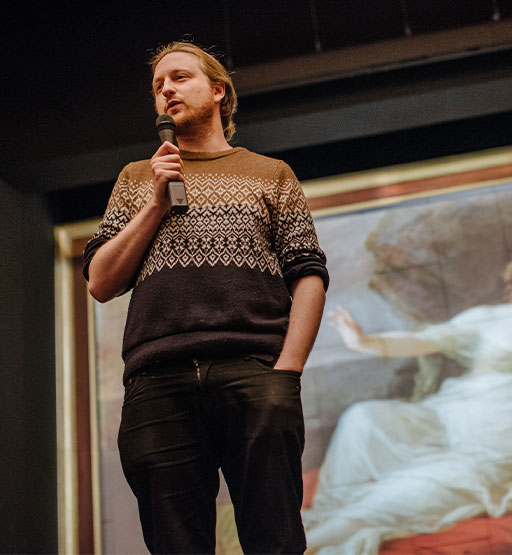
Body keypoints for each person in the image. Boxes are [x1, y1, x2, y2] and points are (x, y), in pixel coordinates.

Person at [83, 40, 329, 554]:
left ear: (218, 90)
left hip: (255, 369)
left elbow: (307, 274)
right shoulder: (136, 178)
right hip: (158, 381)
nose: (166, 90)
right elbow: (101, 283)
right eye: (158, 86)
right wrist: (154, 203)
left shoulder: (271, 174)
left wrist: (288, 371)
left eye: (179, 78)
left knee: (275, 541)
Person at [302, 251, 512, 554]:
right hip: (448, 419)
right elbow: (422, 341)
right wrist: (365, 342)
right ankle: (330, 513)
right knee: (363, 418)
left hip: (499, 448)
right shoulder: (484, 320)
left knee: (395, 496)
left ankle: (305, 545)